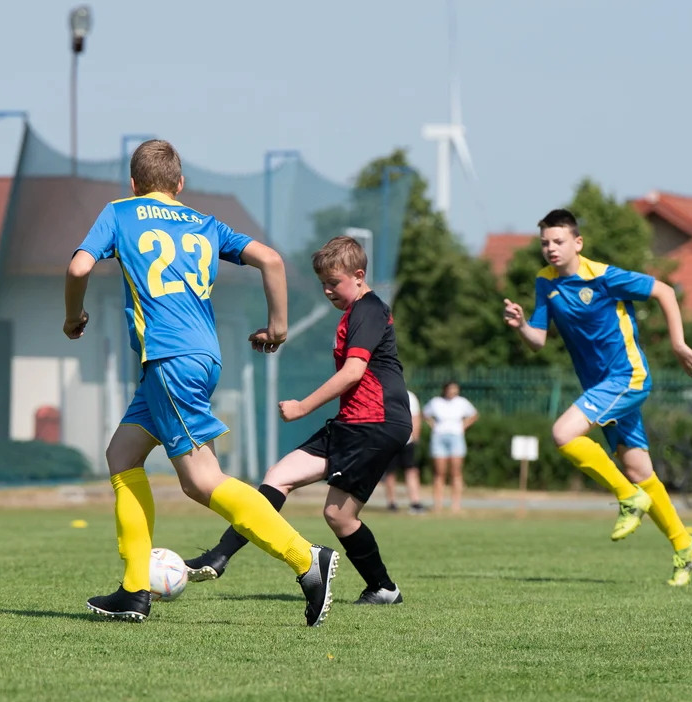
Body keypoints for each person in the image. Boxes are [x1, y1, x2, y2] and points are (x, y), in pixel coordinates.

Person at [63, 139, 337, 625]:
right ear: (180, 184)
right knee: (121, 455)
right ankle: (133, 590)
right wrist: (278, 328)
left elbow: (79, 265)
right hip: (196, 358)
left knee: (201, 481)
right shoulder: (205, 223)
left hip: (169, 359)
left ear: (133, 183)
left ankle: (305, 559)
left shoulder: (120, 212)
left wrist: (72, 317)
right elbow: (271, 260)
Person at [185, 235, 412, 605]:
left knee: (319, 502)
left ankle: (220, 555)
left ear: (358, 275)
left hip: (374, 423)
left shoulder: (368, 309)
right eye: (322, 283)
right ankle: (383, 589)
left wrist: (303, 407)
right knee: (315, 501)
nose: (327, 291)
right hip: (357, 422)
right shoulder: (356, 312)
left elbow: (354, 371)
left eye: (333, 283)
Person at [502, 208, 692, 587]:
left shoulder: (603, 276)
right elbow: (538, 342)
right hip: (601, 388)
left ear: (577, 243)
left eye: (559, 241)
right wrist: (521, 327)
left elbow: (663, 290)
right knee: (640, 471)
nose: (551, 248)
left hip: (627, 377)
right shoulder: (545, 283)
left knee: (563, 434)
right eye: (545, 242)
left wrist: (678, 343)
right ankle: (685, 546)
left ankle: (627, 498)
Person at [423, 382, 478, 514]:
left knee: (456, 472)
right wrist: (434, 425)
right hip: (439, 437)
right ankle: (438, 504)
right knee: (439, 472)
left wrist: (463, 426)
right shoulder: (436, 402)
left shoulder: (462, 402)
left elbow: (474, 415)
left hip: (456, 437)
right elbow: (425, 414)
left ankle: (456, 504)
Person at [381, 389, 425, 513]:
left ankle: (415, 501)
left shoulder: (410, 396)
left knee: (411, 470)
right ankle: (391, 502)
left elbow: (415, 417)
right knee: (390, 472)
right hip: (389, 440)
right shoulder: (385, 394)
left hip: (407, 440)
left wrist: (415, 436)